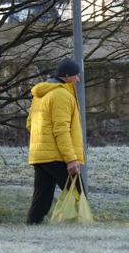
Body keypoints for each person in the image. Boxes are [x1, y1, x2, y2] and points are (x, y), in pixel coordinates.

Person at [25, 57, 85, 224]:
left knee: (41, 201)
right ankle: (83, 227)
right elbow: (61, 130)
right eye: (76, 75)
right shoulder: (61, 95)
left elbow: (30, 124)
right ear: (67, 76)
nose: (78, 79)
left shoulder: (40, 95)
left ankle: (31, 227)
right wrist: (71, 159)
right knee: (78, 194)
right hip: (57, 156)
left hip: (40, 155)